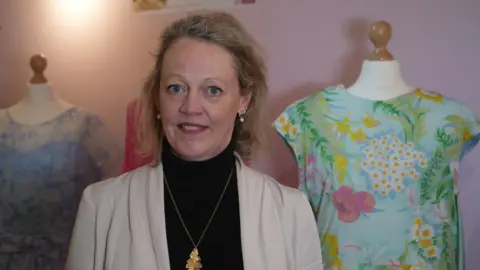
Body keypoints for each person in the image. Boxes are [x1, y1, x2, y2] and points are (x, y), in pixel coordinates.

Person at [65, 11, 323, 270]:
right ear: (157, 97)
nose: (191, 107)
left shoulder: (291, 212)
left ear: (243, 100)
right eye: (176, 88)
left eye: (213, 90)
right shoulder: (101, 208)